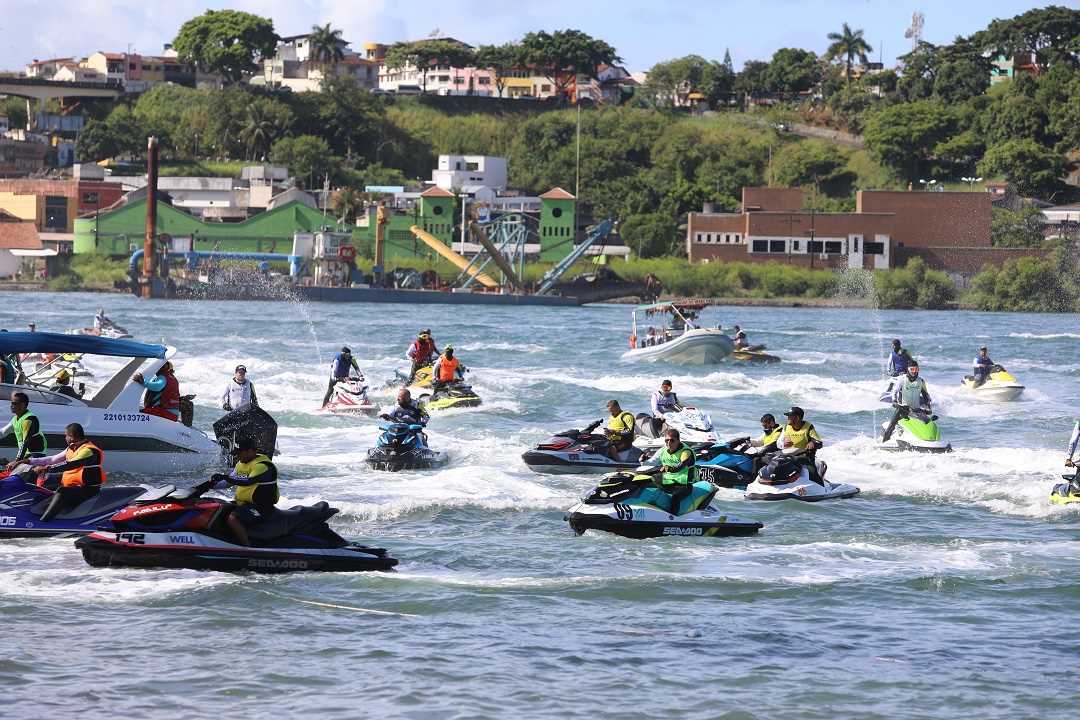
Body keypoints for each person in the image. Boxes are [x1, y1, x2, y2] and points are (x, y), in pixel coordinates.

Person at [195, 437, 278, 547]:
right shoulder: (241, 463)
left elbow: (248, 481)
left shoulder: (262, 466)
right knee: (216, 508)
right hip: (243, 504)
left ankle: (247, 547)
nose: (238, 456)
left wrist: (225, 477)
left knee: (232, 518)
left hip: (261, 507)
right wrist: (209, 484)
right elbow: (228, 483)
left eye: (240, 453)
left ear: (251, 451)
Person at [23, 423, 105, 521]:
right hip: (74, 486)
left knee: (63, 491)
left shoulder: (88, 450)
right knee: (42, 486)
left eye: (66, 435)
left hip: (88, 490)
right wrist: (28, 461)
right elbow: (53, 459)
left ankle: (44, 521)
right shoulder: (72, 447)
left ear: (71, 437)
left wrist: (47, 469)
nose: (65, 437)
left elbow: (69, 464)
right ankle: (30, 514)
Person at [882, 361, 932, 442]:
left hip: (916, 409)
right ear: (908, 369)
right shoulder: (902, 379)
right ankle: (884, 442)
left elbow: (926, 395)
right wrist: (895, 402)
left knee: (927, 422)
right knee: (891, 425)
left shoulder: (921, 381)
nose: (914, 371)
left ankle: (928, 441)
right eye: (912, 369)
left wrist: (928, 407)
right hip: (903, 408)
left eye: (916, 369)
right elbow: (895, 392)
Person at [776, 406, 825, 484]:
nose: (788, 418)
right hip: (787, 456)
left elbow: (819, 443)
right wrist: (783, 444)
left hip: (805, 458)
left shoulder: (808, 427)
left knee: (812, 473)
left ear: (797, 417)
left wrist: (812, 443)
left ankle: (822, 488)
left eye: (790, 416)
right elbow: (778, 443)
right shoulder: (786, 427)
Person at [656, 428, 698, 515]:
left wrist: (669, 468)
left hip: (685, 485)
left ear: (678, 441)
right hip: (669, 481)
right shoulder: (663, 451)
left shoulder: (685, 452)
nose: (668, 443)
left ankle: (673, 517)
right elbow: (652, 462)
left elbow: (681, 466)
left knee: (676, 496)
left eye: (672, 441)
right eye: (666, 441)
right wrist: (644, 459)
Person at [1, 392, 48, 466]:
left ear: (22, 405)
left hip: (36, 454)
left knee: (19, 474)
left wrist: (17, 461)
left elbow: (25, 442)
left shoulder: (28, 419)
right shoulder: (15, 419)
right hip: (26, 454)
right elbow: (3, 432)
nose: (11, 406)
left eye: (14, 403)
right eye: (11, 403)